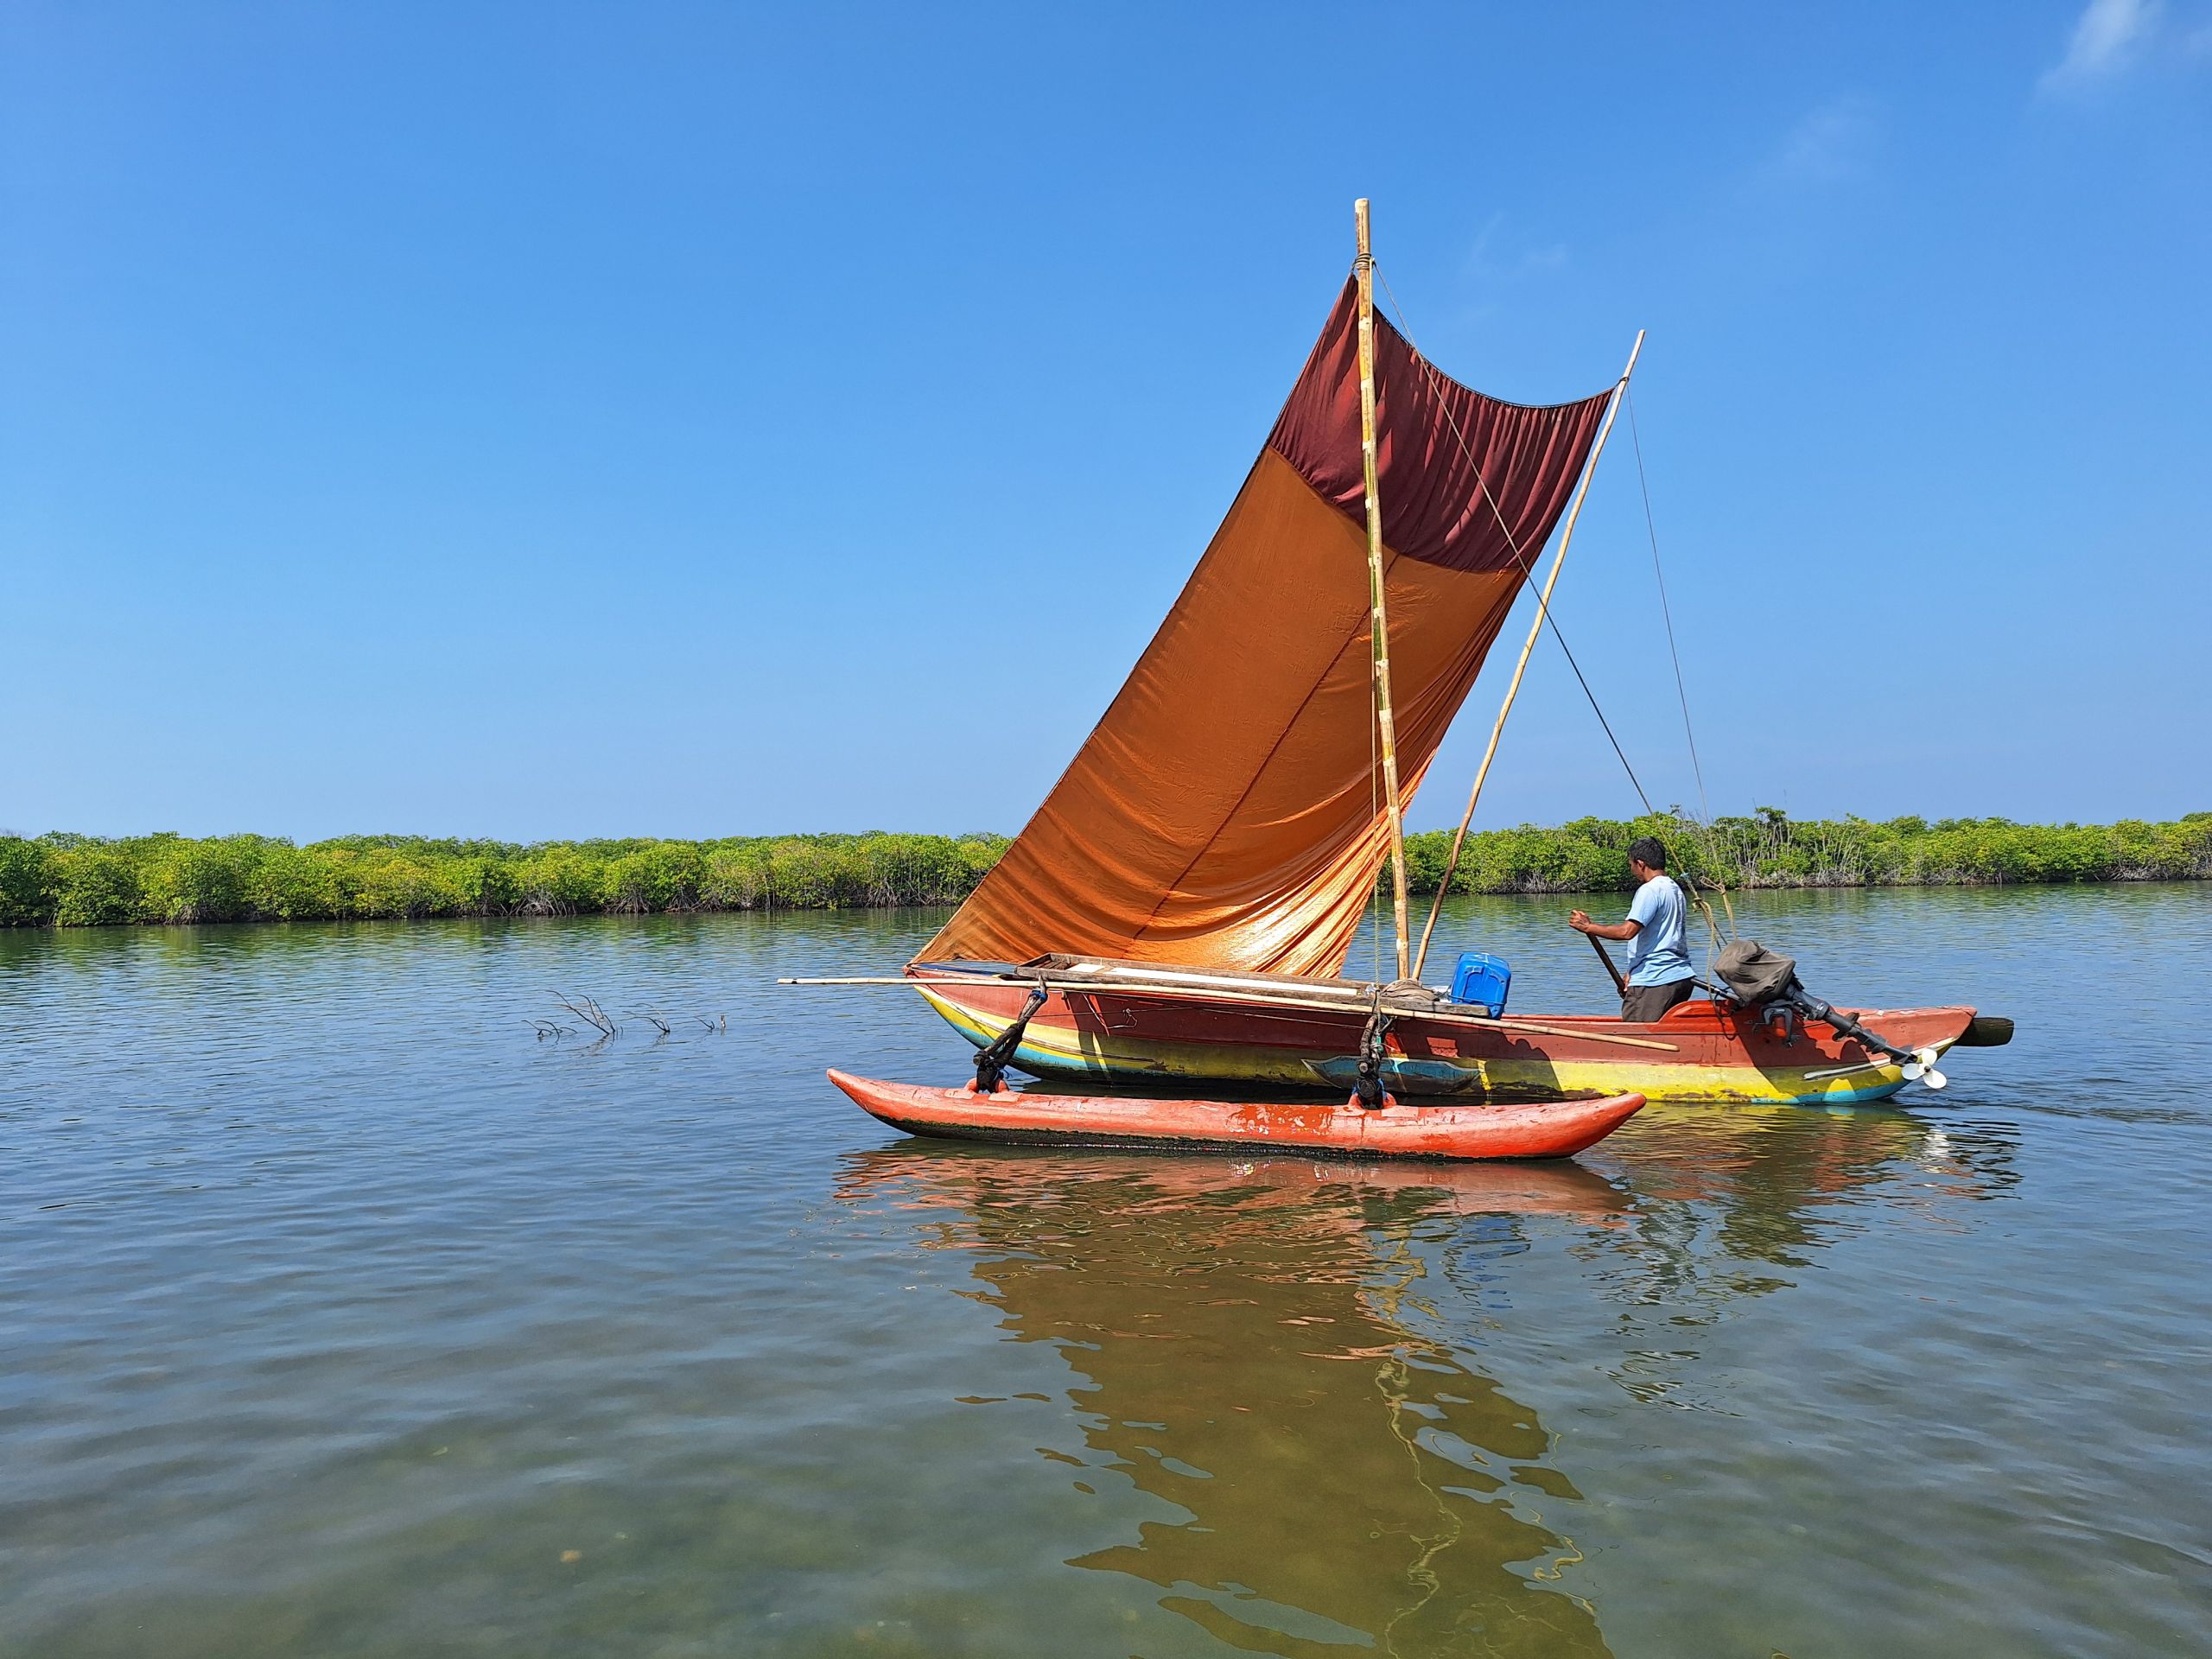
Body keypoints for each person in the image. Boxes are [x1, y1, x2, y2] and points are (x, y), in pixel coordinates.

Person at [1569, 836, 1695, 1023]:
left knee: (1637, 1040)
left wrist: (1588, 927)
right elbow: (1660, 938)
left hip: (1656, 980)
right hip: (1679, 978)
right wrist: (1632, 972)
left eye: (1631, 865)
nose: (1632, 870)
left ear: (1641, 864)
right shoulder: (1674, 888)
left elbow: (1627, 932)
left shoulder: (1650, 890)